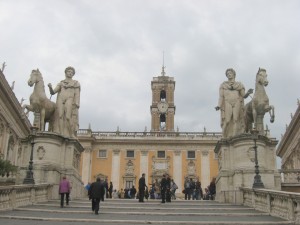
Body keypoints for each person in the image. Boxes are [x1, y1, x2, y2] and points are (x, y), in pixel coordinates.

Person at [215, 68, 252, 138]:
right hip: (227, 102)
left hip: (237, 102)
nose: (229, 74)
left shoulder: (239, 85)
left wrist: (248, 92)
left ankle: (234, 137)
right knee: (227, 120)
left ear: (234, 74)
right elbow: (221, 97)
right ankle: (223, 136)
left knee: (236, 119)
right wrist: (219, 105)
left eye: (230, 73)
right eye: (227, 74)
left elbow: (244, 95)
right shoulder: (223, 85)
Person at [48, 66, 80, 138]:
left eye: (72, 72)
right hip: (60, 98)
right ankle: (61, 134)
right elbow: (53, 92)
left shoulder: (76, 83)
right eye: (69, 71)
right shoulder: (61, 83)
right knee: (60, 116)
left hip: (70, 98)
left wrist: (77, 103)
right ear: (65, 73)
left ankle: (71, 133)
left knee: (68, 117)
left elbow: (77, 94)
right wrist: (50, 87)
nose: (70, 73)